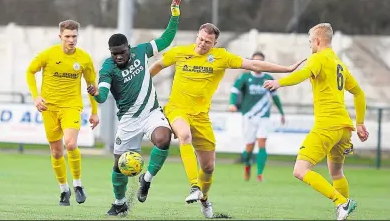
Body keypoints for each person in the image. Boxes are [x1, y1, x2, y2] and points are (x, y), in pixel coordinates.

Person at [148, 23, 305, 218]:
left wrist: (287, 69)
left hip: (201, 117)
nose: (202, 44)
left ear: (215, 43)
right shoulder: (180, 52)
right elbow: (157, 66)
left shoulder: (221, 57)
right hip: (177, 109)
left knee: (208, 167)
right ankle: (193, 187)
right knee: (184, 135)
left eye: (207, 42)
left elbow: (254, 64)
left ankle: (204, 199)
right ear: (197, 36)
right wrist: (142, 87)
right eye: (201, 39)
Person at [263, 23, 368, 220]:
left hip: (327, 126)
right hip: (345, 128)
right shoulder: (339, 63)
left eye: (310, 41)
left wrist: (279, 82)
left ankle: (342, 203)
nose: (310, 44)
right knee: (336, 173)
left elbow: (303, 73)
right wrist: (360, 123)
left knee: (300, 170)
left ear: (317, 41)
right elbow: (359, 93)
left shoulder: (318, 58)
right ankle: (343, 211)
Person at [86, 0, 181, 216]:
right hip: (128, 120)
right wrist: (95, 94)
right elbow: (102, 96)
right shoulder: (108, 68)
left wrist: (175, 16)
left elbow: (166, 40)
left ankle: (146, 180)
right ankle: (119, 202)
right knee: (118, 165)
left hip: (151, 113)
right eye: (114, 53)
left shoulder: (141, 51)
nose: (118, 56)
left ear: (128, 48)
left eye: (121, 52)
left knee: (164, 139)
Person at [26, 19, 100, 206]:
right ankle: (64, 190)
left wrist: (94, 111)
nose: (71, 40)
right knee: (57, 152)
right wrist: (36, 97)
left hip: (71, 106)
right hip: (49, 108)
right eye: (67, 36)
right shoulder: (49, 54)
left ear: (77, 36)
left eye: (74, 36)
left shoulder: (84, 58)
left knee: (71, 143)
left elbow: (92, 86)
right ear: (60, 37)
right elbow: (30, 71)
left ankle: (78, 184)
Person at [229, 51, 285, 182]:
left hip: (264, 116)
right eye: (256, 61)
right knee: (249, 147)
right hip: (248, 116)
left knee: (262, 143)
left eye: (261, 61)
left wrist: (282, 113)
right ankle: (247, 165)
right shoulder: (245, 77)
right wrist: (232, 104)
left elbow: (275, 97)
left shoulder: (268, 78)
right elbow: (234, 91)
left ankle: (260, 174)